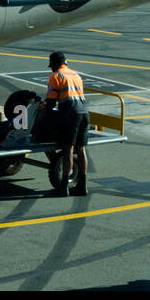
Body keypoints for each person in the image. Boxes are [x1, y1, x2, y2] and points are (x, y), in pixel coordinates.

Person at [43, 51, 89, 196]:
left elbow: (50, 103)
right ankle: (82, 185)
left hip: (71, 115)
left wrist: (44, 111)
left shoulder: (56, 76)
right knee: (81, 150)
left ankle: (63, 187)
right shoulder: (76, 75)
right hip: (84, 113)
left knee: (68, 149)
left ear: (55, 64)